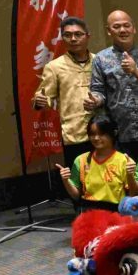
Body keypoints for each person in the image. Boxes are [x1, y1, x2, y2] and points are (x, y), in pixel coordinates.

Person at [87, 10, 138, 155]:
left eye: (126, 25)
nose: (122, 30)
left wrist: (136, 70)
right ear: (109, 31)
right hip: (119, 132)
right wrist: (96, 100)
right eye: (116, 26)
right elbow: (98, 90)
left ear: (134, 28)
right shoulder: (100, 59)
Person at [33, 16, 96, 167]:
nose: (73, 39)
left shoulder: (99, 61)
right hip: (74, 134)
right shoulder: (54, 67)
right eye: (67, 35)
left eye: (78, 34)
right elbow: (43, 96)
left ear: (87, 36)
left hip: (103, 133)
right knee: (80, 177)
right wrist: (39, 101)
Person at [56, 117, 138, 211]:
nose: (96, 138)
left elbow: (133, 194)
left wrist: (130, 174)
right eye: (92, 134)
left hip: (115, 212)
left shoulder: (124, 160)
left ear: (113, 134)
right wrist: (65, 180)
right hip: (89, 212)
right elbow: (76, 196)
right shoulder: (81, 160)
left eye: (101, 134)